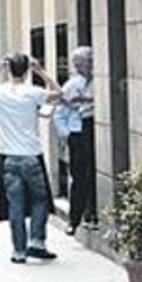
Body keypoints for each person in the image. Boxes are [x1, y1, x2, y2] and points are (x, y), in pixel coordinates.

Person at [0, 53, 63, 263]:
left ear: (10, 70)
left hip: (7, 157)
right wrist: (39, 71)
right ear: (25, 71)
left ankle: (19, 251)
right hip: (31, 154)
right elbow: (58, 92)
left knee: (15, 204)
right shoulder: (33, 92)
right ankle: (37, 241)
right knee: (40, 199)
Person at [53, 46, 97, 235]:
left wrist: (88, 100)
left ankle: (93, 213)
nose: (80, 66)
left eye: (84, 62)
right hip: (78, 132)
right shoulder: (71, 85)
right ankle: (75, 219)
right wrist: (67, 134)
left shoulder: (98, 82)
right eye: (77, 63)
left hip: (93, 127)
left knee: (94, 173)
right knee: (79, 176)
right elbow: (59, 112)